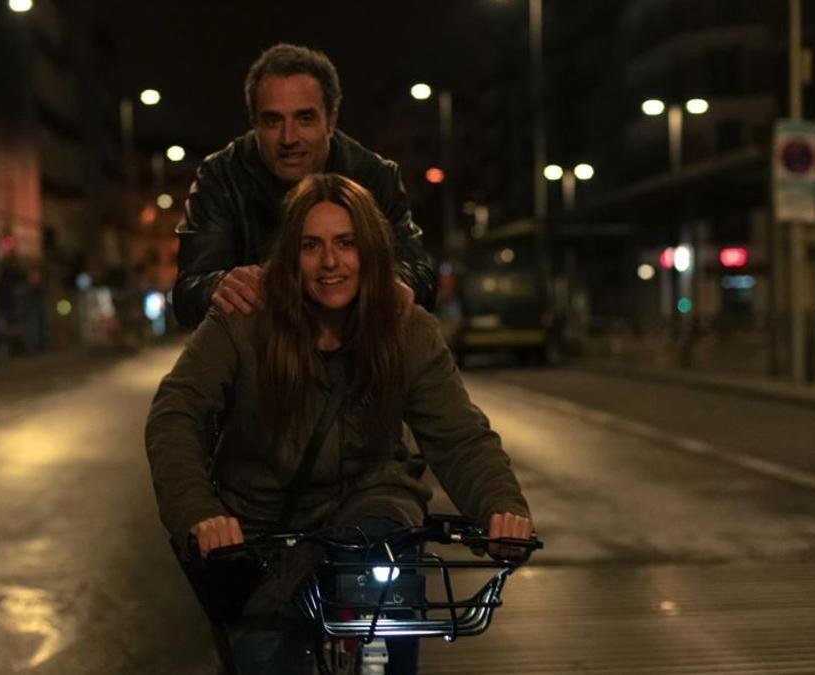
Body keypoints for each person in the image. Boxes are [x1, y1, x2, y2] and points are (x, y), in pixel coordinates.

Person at [147, 174, 533, 674]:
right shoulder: (244, 319)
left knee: (389, 609)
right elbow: (175, 414)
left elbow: (459, 435)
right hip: (265, 533)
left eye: (347, 243)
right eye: (311, 246)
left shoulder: (407, 328)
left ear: (371, 252)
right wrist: (200, 514)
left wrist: (502, 508)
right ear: (291, 255)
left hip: (368, 506)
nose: (331, 261)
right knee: (266, 660)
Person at [172, 43, 437, 330]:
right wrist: (219, 286)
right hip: (258, 346)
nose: (288, 138)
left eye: (305, 118)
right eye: (272, 121)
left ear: (331, 120)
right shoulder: (221, 176)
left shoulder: (375, 176)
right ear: (254, 123)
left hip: (356, 344)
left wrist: (384, 284)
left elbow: (421, 278)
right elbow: (188, 294)